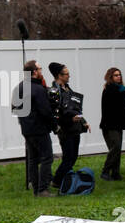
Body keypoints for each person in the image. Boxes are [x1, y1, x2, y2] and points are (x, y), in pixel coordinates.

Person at [16, 60, 55, 197]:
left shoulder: (19, 87)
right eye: (40, 69)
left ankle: (36, 189)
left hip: (27, 130)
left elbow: (15, 108)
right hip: (39, 129)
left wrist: (25, 122)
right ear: (34, 72)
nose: (41, 71)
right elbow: (45, 111)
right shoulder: (38, 89)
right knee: (47, 158)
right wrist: (54, 125)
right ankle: (43, 189)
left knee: (32, 160)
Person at [48, 62, 88, 190]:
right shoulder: (54, 92)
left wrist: (83, 121)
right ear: (59, 76)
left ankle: (66, 180)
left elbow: (75, 108)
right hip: (65, 129)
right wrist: (70, 119)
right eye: (66, 74)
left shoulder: (68, 89)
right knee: (68, 157)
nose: (69, 76)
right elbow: (56, 114)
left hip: (75, 128)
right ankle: (57, 181)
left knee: (73, 156)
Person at [99, 67, 125, 180]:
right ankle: (105, 171)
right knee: (116, 147)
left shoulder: (119, 89)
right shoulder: (109, 89)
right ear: (110, 77)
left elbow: (120, 96)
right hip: (109, 125)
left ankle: (115, 173)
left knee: (117, 149)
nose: (118, 77)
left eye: (119, 75)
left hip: (117, 124)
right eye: (116, 75)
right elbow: (115, 99)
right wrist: (124, 94)